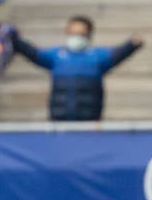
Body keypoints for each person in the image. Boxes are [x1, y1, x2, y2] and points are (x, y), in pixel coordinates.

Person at [8, 16, 144, 121]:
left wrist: (132, 45)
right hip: (59, 123)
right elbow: (33, 53)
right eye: (73, 33)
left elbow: (119, 53)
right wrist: (15, 40)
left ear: (89, 35)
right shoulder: (56, 56)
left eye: (81, 34)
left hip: (88, 124)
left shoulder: (97, 57)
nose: (76, 37)